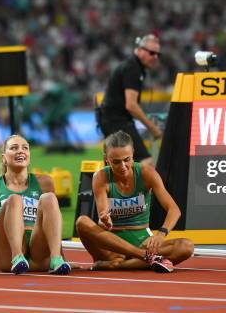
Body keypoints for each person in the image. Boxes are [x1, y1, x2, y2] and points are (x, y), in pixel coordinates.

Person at [75, 130, 194, 273]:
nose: (123, 166)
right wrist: (104, 219)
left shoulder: (146, 173)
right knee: (82, 222)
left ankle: (119, 265)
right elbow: (103, 213)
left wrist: (161, 234)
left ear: (133, 154)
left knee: (186, 246)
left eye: (127, 159)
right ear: (106, 158)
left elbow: (174, 210)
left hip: (142, 241)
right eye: (116, 162)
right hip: (112, 246)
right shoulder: (100, 177)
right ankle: (144, 258)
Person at [0, 135, 71, 275]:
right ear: (4, 158)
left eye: (25, 148)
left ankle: (56, 259)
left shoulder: (45, 182)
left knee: (49, 198)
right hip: (7, 254)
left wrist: (63, 258)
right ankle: (17, 257)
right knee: (14, 199)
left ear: (29, 156)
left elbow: (52, 223)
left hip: (37, 253)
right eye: (14, 148)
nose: (20, 151)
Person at [97, 34, 163, 166]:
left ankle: (114, 186)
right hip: (117, 122)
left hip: (111, 120)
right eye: (151, 53)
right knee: (145, 161)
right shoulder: (133, 68)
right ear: (140, 50)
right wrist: (152, 127)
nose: (155, 57)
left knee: (120, 164)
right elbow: (131, 105)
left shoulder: (132, 66)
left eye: (157, 54)